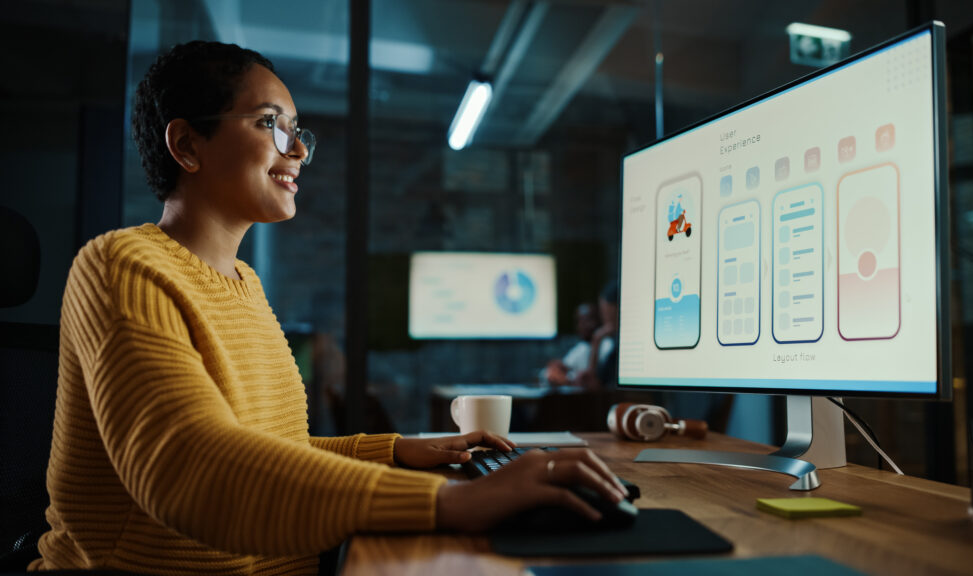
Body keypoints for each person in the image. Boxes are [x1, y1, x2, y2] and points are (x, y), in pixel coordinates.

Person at [31, 41, 627, 575]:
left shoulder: (243, 282)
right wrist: (455, 501)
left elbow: (268, 449)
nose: (297, 151)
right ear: (187, 144)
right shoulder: (119, 266)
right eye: (270, 123)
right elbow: (189, 467)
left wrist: (393, 451)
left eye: (297, 130)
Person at [540, 302, 599, 386]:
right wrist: (559, 368)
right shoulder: (582, 347)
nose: (581, 326)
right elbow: (561, 368)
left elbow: (593, 381)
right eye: (579, 321)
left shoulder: (607, 346)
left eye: (586, 320)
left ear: (598, 321)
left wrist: (567, 380)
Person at [576, 282, 620, 390]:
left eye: (605, 311)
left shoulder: (617, 346)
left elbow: (595, 384)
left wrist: (597, 339)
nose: (604, 317)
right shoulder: (613, 343)